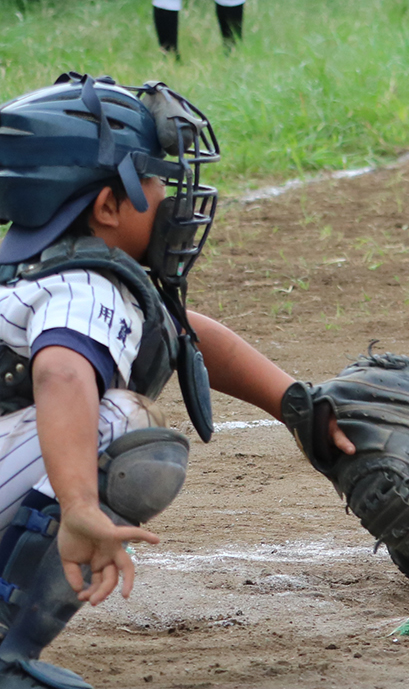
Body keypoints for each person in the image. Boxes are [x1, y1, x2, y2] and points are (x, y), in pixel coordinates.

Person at [0, 74, 388, 689]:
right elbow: (62, 372)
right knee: (123, 427)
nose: (171, 195)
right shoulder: (86, 288)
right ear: (107, 207)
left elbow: (183, 334)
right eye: (153, 180)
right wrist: (77, 507)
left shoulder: (47, 270)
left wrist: (298, 406)